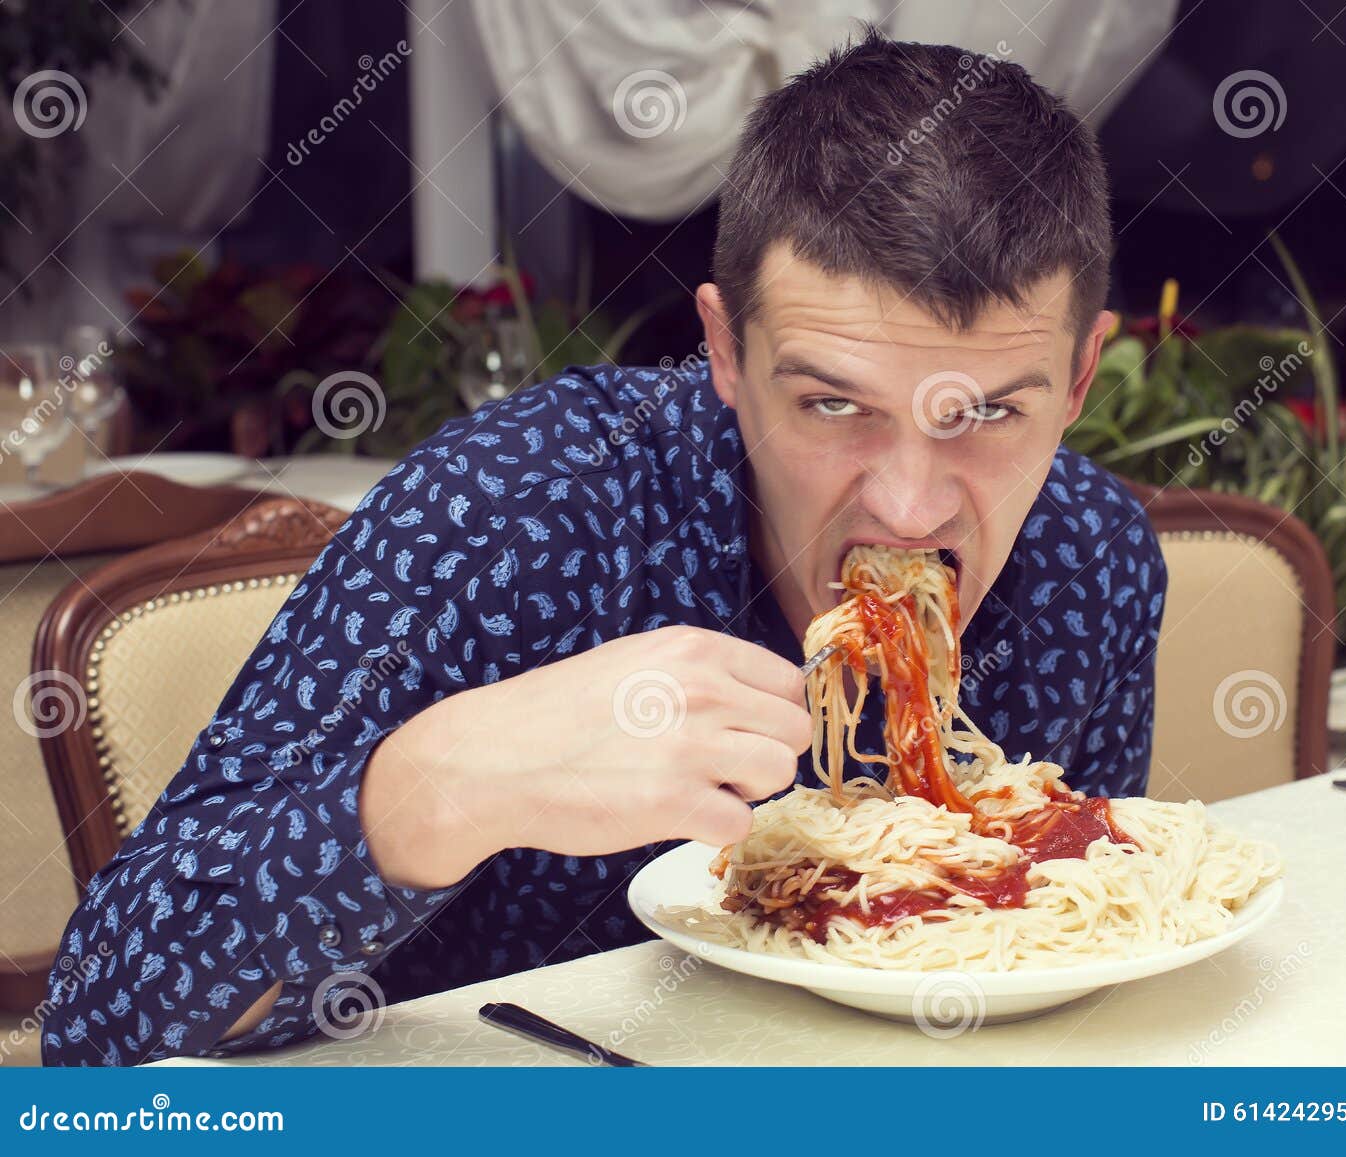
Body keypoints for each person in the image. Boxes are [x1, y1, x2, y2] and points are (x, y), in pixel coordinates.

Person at [43, 28, 1166, 1066]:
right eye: (832, 405)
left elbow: (1078, 963)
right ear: (725, 351)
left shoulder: (1095, 559)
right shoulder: (514, 513)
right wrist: (432, 788)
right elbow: (98, 1027)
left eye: (987, 413)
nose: (912, 506)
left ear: (1077, 380)